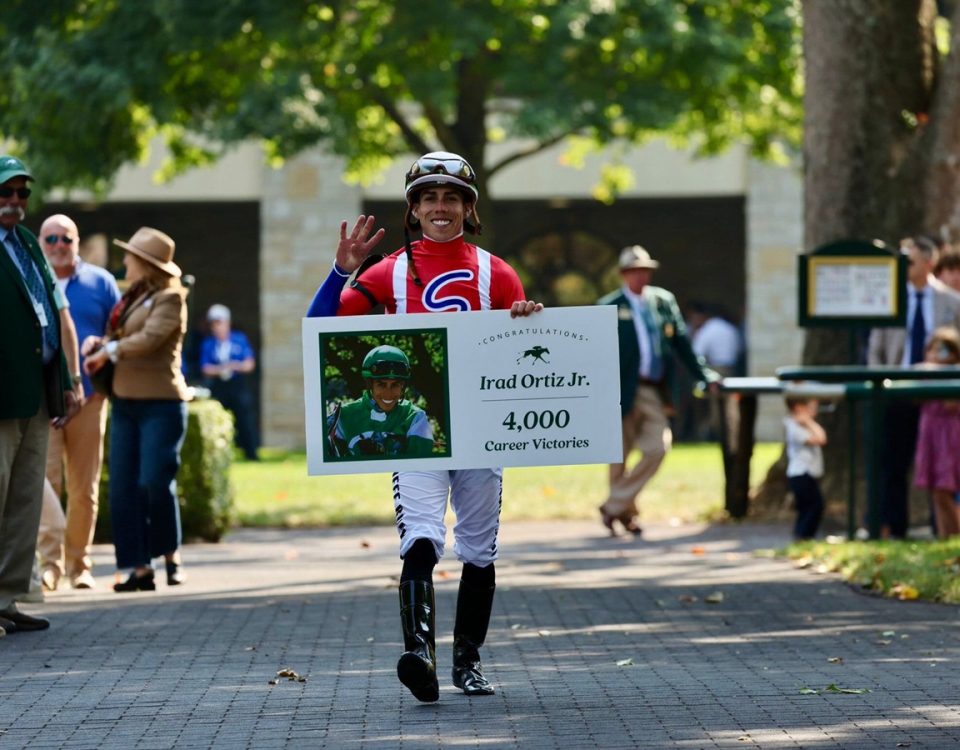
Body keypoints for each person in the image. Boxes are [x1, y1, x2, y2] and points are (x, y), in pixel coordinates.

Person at [307, 150, 542, 702]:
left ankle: (468, 661)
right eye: (429, 197)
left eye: (451, 197)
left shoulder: (498, 272)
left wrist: (531, 318)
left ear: (468, 208)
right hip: (414, 427)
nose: (441, 207)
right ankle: (420, 653)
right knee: (421, 537)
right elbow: (320, 330)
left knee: (479, 548)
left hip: (483, 428)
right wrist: (342, 270)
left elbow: (524, 352)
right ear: (414, 209)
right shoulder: (387, 270)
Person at [82, 227, 191, 592]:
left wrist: (111, 352)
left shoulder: (172, 298)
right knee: (124, 488)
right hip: (126, 401)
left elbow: (151, 339)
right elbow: (122, 336)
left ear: (145, 264)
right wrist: (102, 342)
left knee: (154, 482)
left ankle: (169, 553)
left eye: (130, 256)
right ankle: (137, 567)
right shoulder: (131, 298)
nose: (125, 260)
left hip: (162, 403)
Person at [0, 154, 79, 636]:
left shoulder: (28, 242)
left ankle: (7, 598)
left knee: (24, 499)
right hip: (2, 394)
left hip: (36, 390)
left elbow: (51, 312)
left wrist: (66, 381)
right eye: (5, 193)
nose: (14, 202)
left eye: (21, 193)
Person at [596, 246, 720, 537]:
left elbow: (682, 344)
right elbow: (595, 353)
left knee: (657, 447)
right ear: (624, 274)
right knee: (619, 455)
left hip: (653, 388)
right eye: (634, 271)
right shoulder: (608, 305)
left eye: (645, 270)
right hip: (620, 390)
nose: (641, 276)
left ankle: (613, 505)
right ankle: (626, 514)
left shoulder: (663, 301)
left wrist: (704, 374)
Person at [36, 213, 121, 591]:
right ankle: (49, 565)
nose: (57, 246)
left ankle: (79, 565)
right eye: (50, 239)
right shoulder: (32, 279)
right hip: (44, 401)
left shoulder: (100, 282)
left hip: (89, 398)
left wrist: (102, 352)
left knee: (84, 487)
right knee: (46, 483)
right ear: (40, 242)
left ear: (77, 242)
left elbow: (120, 331)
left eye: (65, 239)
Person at [867, 236, 960, 538]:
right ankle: (895, 529)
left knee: (942, 467)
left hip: (941, 398)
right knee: (894, 462)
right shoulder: (890, 299)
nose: (904, 266)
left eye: (911, 260)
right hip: (898, 390)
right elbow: (876, 350)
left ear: (929, 263)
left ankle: (942, 531)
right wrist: (884, 383)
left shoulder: (951, 301)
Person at [327, 344, 434, 459]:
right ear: (370, 384)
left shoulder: (415, 418)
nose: (388, 393)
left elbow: (419, 467)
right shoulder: (342, 417)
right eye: (381, 384)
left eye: (395, 385)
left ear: (403, 386)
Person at [912, 327, 960, 538]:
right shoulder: (924, 373)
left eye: (943, 351)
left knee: (945, 488)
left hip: (950, 435)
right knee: (935, 491)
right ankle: (944, 536)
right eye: (933, 350)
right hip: (929, 432)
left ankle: (956, 535)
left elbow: (951, 404)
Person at [199, 303, 259, 460]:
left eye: (219, 323)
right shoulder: (208, 343)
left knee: (244, 420)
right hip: (219, 386)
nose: (216, 327)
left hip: (237, 385)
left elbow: (249, 364)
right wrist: (221, 369)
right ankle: (218, 455)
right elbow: (205, 368)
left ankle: (251, 453)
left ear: (227, 322)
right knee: (217, 421)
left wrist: (234, 366)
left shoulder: (239, 339)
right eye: (213, 323)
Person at [687, 301, 743, 441]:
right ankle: (730, 436)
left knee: (716, 408)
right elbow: (739, 350)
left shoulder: (707, 330)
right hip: (731, 370)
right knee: (730, 407)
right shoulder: (730, 328)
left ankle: (717, 436)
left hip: (714, 371)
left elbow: (696, 353)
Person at [784, 396, 828, 540]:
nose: (813, 411)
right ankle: (804, 537)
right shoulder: (794, 427)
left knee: (807, 507)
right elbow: (821, 439)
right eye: (809, 408)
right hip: (801, 473)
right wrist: (809, 422)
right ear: (798, 408)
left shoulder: (800, 426)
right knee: (815, 506)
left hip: (806, 473)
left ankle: (802, 536)